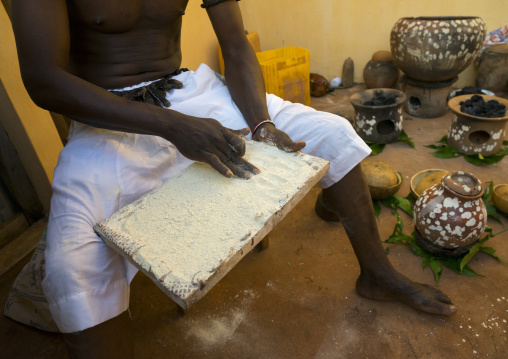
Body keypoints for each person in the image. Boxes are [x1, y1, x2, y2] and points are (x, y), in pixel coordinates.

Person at [9, 0, 456, 357]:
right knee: (74, 265)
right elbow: (43, 79)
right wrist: (172, 126)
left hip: (189, 93)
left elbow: (236, 45)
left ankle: (377, 275)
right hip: (107, 114)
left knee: (330, 132)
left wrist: (261, 124)